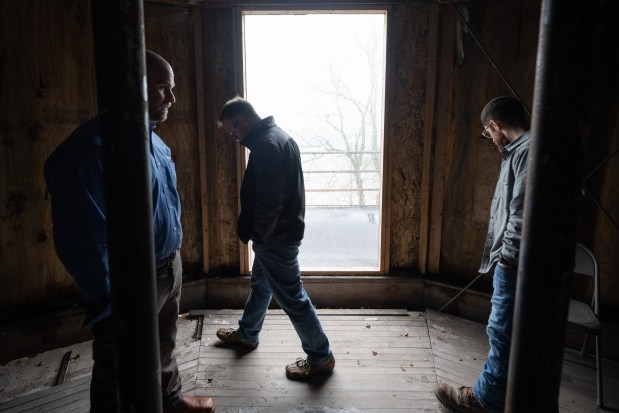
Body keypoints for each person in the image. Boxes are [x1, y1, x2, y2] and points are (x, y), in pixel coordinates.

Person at [44, 50, 215, 413]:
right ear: (131, 88)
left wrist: (174, 262)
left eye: (171, 89)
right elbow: (83, 240)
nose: (172, 98)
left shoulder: (155, 141)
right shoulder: (87, 152)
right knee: (118, 367)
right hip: (131, 281)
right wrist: (112, 303)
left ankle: (168, 402)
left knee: (164, 343)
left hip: (169, 266)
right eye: (162, 89)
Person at [216, 97, 335, 380]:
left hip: (276, 237)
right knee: (261, 285)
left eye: (232, 131)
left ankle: (320, 357)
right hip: (281, 232)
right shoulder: (279, 136)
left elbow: (270, 202)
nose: (233, 137)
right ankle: (248, 333)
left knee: (292, 297)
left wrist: (261, 237)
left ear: (242, 121)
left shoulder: (266, 145)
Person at [434, 96, 530, 413]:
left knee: (501, 332)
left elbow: (521, 214)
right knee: (514, 335)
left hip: (516, 264)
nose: (491, 141)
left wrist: (506, 258)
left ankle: (483, 400)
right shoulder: (529, 150)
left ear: (494, 125)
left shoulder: (526, 152)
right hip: (527, 264)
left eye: (489, 135)